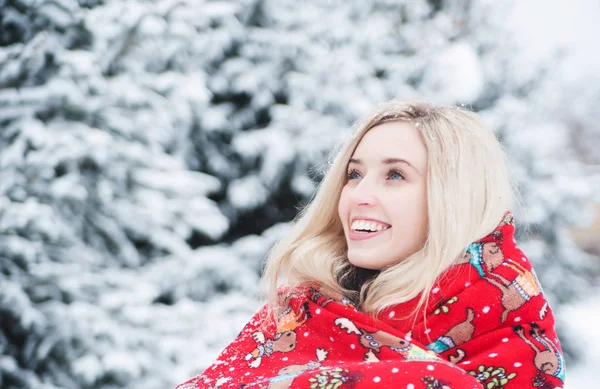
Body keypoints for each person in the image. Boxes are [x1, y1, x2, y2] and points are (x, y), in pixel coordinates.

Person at [175, 100, 565, 389]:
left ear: (455, 196)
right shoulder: (301, 313)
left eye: (395, 175)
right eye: (354, 174)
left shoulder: (515, 337)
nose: (359, 194)